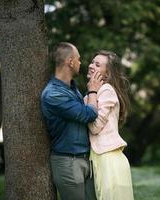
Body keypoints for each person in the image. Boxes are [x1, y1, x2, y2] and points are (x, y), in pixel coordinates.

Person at [41, 42, 103, 200]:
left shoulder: (72, 88)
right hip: (68, 163)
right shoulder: (53, 94)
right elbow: (89, 114)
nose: (81, 63)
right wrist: (93, 90)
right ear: (70, 62)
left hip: (86, 160)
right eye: (79, 59)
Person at [84, 50, 134, 200]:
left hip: (109, 160)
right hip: (101, 158)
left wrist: (92, 92)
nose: (91, 66)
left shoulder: (106, 90)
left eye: (97, 65)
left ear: (107, 74)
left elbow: (95, 126)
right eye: (92, 62)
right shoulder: (91, 93)